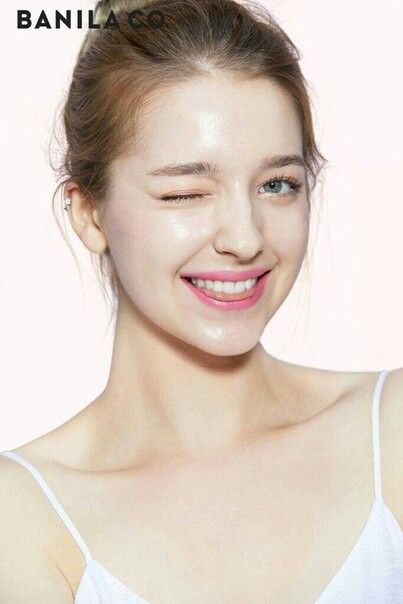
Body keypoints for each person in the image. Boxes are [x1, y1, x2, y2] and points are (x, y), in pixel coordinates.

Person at [1, 0, 402, 602]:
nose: (245, 238)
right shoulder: (23, 514)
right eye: (186, 193)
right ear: (89, 214)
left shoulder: (390, 431)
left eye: (277, 185)